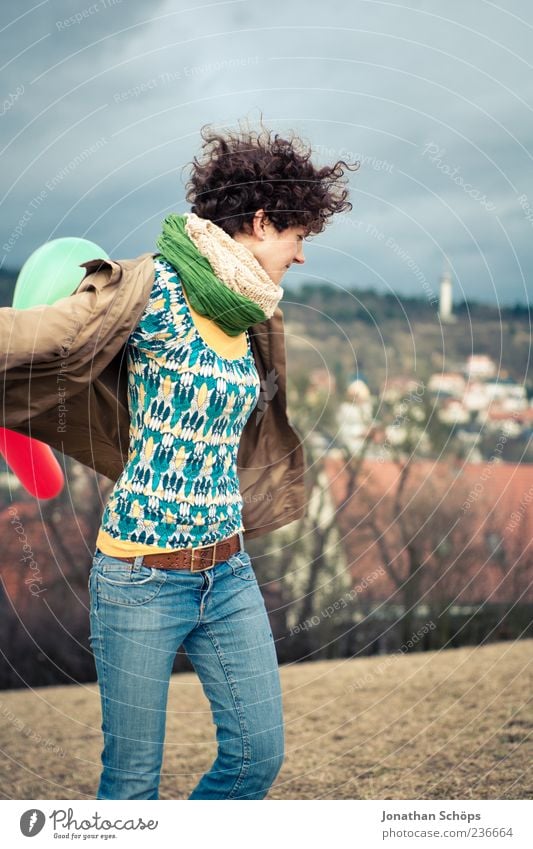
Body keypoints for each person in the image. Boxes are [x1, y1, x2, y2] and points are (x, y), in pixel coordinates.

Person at [3, 119, 357, 800]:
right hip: (139, 578)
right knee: (131, 786)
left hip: (226, 574)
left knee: (256, 757)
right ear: (259, 221)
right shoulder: (155, 290)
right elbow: (37, 332)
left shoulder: (248, 313)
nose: (302, 255)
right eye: (298, 235)